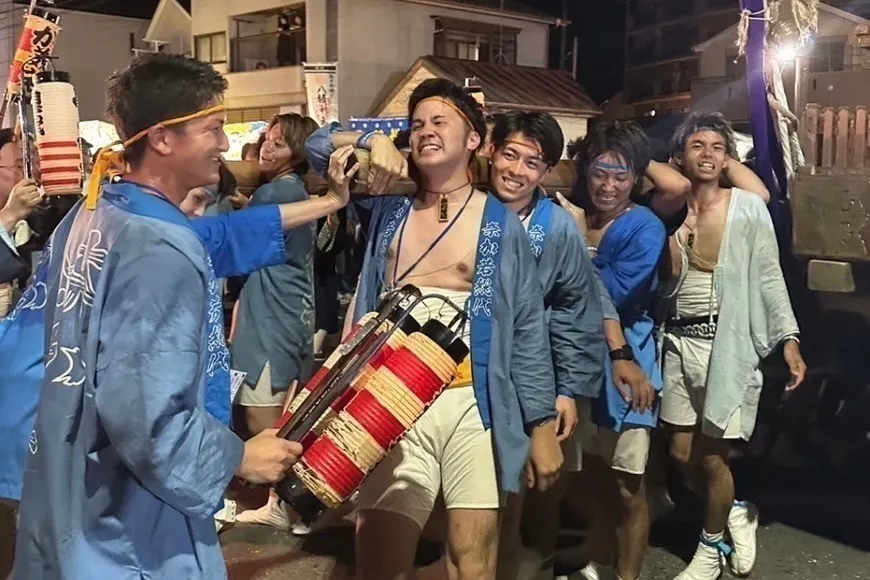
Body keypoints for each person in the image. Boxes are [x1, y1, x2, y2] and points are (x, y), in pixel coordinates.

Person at [9, 53, 346, 579]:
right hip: (128, 514)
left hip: (73, 474)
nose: (224, 144)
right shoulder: (157, 244)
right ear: (163, 138)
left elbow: (223, 235)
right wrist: (235, 459)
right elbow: (144, 409)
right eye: (213, 128)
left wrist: (330, 203)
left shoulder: (96, 211)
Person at [306, 78, 561, 580]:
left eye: (439, 121)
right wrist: (371, 140)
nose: (425, 131)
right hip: (388, 400)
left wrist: (542, 425)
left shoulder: (499, 222)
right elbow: (315, 147)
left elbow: (528, 328)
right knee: (380, 566)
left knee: (473, 566)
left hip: (472, 401)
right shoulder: (387, 203)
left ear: (474, 140)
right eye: (417, 124)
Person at [662, 112, 805, 580]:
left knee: (712, 456)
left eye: (717, 147)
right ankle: (737, 509)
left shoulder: (745, 207)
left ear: (728, 159)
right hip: (676, 341)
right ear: (679, 157)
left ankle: (709, 549)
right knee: (680, 454)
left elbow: (768, 274)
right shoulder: (668, 209)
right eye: (697, 146)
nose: (707, 154)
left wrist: (788, 339)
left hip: (725, 344)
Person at [481, 111, 606, 580]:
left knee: (526, 495)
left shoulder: (556, 227)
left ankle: (534, 565)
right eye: (509, 155)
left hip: (531, 376)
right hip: (470, 371)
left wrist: (567, 389)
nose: (516, 171)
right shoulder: (465, 204)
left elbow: (576, 308)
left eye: (532, 163)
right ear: (490, 151)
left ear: (547, 170)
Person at [564, 121, 667, 580]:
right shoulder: (577, 215)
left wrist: (579, 245)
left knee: (629, 487)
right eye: (599, 174)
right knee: (589, 474)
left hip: (627, 368)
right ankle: (600, 553)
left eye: (620, 177)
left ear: (637, 180)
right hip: (576, 365)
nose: (607, 186)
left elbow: (614, 294)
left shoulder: (645, 227)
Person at [231, 113, 320, 438]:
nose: (266, 148)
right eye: (266, 140)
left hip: (269, 315)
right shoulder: (294, 190)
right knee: (282, 418)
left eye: (278, 144)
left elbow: (234, 243)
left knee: (261, 426)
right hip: (293, 309)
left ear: (297, 155)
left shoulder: (273, 194)